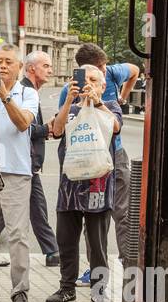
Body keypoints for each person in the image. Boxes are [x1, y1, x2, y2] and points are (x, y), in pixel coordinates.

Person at [55, 43, 140, 285]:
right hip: (79, 163)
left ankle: (126, 265)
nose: (101, 71)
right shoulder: (69, 91)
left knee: (119, 213)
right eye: (87, 75)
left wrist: (121, 97)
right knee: (86, 223)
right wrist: (73, 98)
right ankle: (91, 274)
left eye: (99, 73)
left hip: (112, 156)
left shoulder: (111, 75)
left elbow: (134, 70)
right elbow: (58, 128)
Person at [45, 64, 122, 302]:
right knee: (66, 241)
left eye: (93, 79)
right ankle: (67, 288)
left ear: (102, 85)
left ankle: (99, 291)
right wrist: (69, 99)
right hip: (69, 188)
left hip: (98, 187)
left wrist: (97, 102)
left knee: (98, 243)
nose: (87, 83)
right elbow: (56, 130)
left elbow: (115, 127)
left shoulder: (109, 107)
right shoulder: (69, 110)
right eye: (82, 79)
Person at [0, 44, 37, 302]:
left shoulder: (28, 93)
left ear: (19, 67)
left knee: (17, 235)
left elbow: (24, 123)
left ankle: (20, 291)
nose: (2, 66)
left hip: (16, 171)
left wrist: (4, 96)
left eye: (8, 62)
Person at [21, 50, 60, 266]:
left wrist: (46, 130)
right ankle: (52, 251)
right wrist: (46, 129)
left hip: (27, 163)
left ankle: (52, 251)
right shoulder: (26, 92)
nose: (50, 70)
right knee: (35, 208)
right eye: (45, 65)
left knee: (34, 208)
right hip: (23, 162)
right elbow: (23, 127)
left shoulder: (30, 90)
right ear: (31, 68)